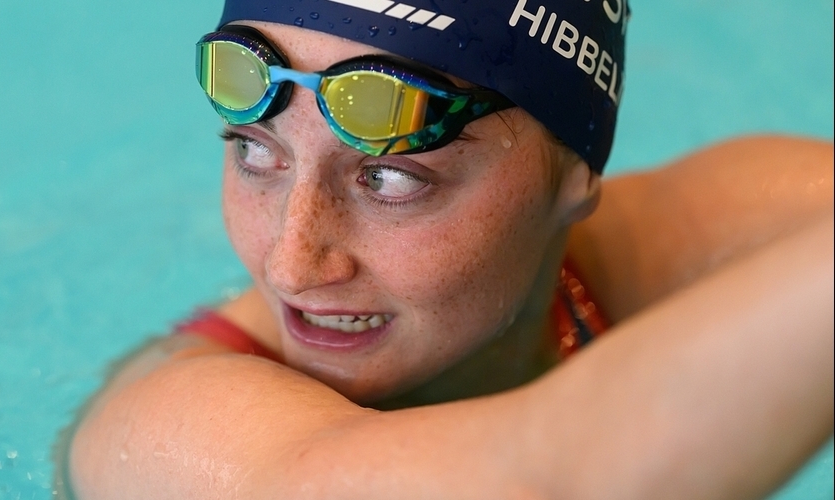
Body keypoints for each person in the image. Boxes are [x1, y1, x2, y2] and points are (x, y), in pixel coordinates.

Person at [59, 0, 834, 498]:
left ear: (575, 170)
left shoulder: (693, 237)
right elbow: (549, 480)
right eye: (255, 151)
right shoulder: (165, 431)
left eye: (391, 178)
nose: (291, 265)